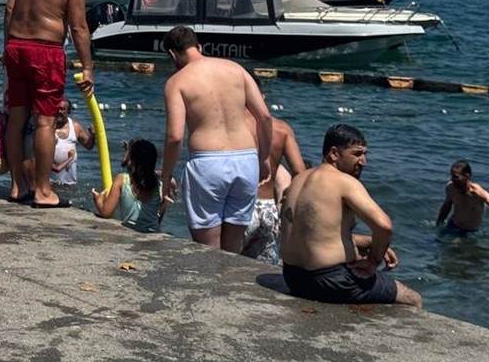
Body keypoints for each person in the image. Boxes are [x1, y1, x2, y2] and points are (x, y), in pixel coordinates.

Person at [280, 124, 422, 308]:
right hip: (331, 282)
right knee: (413, 299)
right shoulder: (343, 181)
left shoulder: (299, 179)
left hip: (293, 278)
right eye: (357, 154)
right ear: (334, 154)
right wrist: (373, 261)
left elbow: (316, 233)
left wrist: (371, 243)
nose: (364, 162)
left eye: (365, 154)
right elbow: (384, 226)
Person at [160, 25, 272, 252]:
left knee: (207, 249)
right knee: (233, 249)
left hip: (208, 163)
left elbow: (175, 136)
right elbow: (265, 117)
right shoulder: (236, 69)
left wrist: (166, 175)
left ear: (172, 53)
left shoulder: (177, 82)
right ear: (198, 46)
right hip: (246, 159)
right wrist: (264, 158)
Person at [2, 0, 95, 208]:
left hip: (15, 46)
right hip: (45, 50)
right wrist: (87, 66)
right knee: (45, 122)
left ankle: (18, 185)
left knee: (16, 119)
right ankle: (43, 191)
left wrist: (8, 48)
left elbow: (9, 11)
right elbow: (78, 27)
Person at [241, 82, 307, 264]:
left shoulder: (234, 127)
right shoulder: (282, 129)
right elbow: (300, 172)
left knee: (224, 265)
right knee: (262, 270)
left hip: (241, 206)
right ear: (262, 96)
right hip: (268, 208)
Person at [92, 139, 164, 233]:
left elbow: (106, 212)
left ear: (132, 161)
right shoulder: (160, 186)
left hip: (130, 233)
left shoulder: (121, 180)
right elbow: (157, 218)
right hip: (154, 234)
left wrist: (99, 201)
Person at [48, 97, 97, 187]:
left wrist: (92, 135)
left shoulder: (75, 127)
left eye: (63, 109)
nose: (59, 112)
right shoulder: (48, 126)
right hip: (50, 181)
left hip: (70, 182)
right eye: (57, 109)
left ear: (69, 111)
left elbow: (88, 145)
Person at [436, 160, 489, 234]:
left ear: (466, 176)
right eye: (451, 175)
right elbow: (446, 206)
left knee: (456, 244)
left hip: (470, 232)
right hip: (452, 225)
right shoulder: (450, 187)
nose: (452, 179)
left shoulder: (477, 192)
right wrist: (439, 223)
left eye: (456, 177)